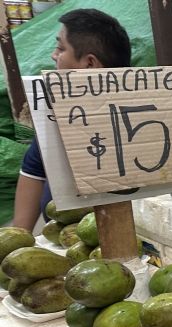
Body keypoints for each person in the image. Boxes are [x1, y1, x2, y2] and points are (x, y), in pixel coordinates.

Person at [12, 9, 131, 232]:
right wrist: (17, 239)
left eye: (60, 48)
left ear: (89, 63)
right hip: (67, 242)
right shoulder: (54, 116)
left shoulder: (139, 113)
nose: (54, 56)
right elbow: (33, 172)